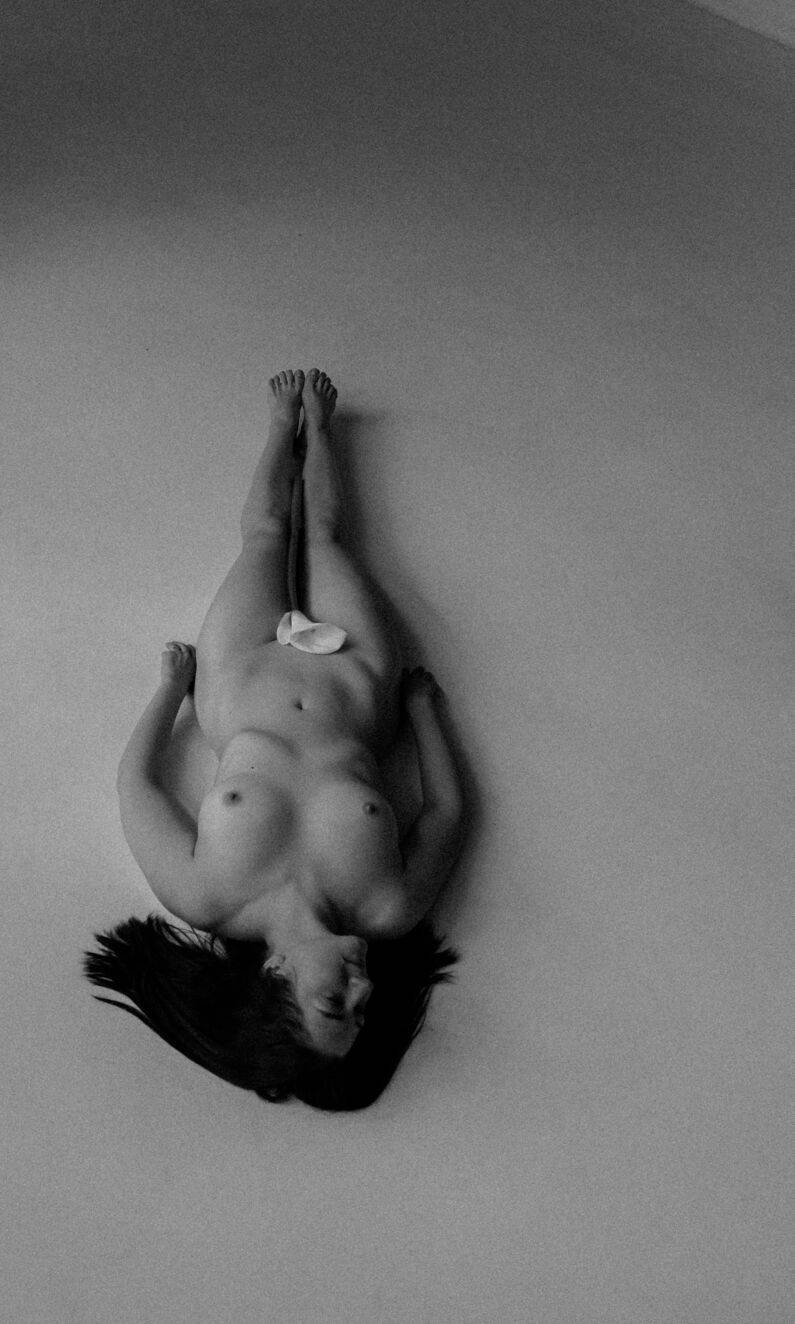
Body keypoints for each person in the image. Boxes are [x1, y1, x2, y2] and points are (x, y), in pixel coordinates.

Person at [85, 369, 469, 1108]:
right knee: (325, 536)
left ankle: (277, 421)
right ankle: (318, 428)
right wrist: (424, 714)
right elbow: (446, 815)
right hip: (356, 678)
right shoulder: (388, 909)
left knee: (265, 534)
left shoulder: (205, 896)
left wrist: (170, 689)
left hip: (238, 677)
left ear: (276, 978)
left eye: (334, 1005)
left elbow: (136, 788)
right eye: (363, 1013)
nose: (361, 992)